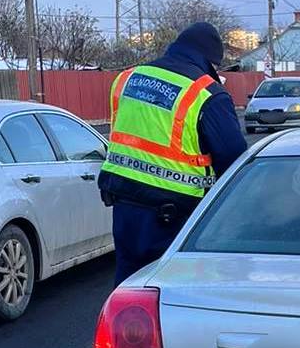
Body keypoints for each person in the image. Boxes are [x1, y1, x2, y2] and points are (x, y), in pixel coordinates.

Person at [98, 22, 248, 284]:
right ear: (210, 62)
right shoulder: (206, 93)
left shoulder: (127, 78)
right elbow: (235, 160)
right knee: (172, 291)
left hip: (124, 204)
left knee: (128, 284)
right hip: (173, 216)